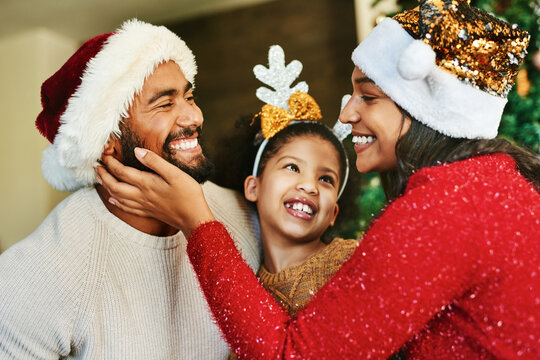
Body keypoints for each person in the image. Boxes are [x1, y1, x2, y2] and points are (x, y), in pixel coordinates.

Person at [97, 1, 540, 359]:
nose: (346, 114)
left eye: (368, 96)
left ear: (427, 112)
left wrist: (197, 221)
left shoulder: (445, 208)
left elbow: (295, 354)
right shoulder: (490, 184)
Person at [0, 19, 260, 359]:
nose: (194, 116)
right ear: (105, 142)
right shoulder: (36, 272)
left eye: (189, 96)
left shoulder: (249, 218)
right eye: (165, 104)